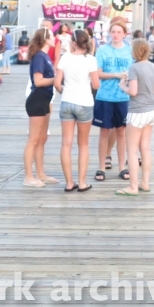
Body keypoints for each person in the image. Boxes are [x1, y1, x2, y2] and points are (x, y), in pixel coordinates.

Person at [54, 28, 99, 192]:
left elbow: (57, 83)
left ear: (73, 43)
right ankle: (82, 182)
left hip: (67, 101)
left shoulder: (65, 58)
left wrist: (63, 92)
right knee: (83, 144)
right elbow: (95, 85)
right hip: (84, 102)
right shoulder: (91, 60)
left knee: (66, 144)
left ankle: (69, 182)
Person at [116, 38, 154, 196]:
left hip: (137, 112)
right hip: (152, 110)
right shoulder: (153, 67)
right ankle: (145, 183)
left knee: (132, 150)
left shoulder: (134, 68)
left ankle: (132, 186)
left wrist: (123, 86)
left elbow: (133, 92)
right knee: (145, 148)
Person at [93, 20, 132, 182]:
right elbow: (97, 73)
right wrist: (115, 75)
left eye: (118, 32)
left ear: (124, 34)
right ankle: (101, 167)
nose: (115, 35)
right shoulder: (102, 50)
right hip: (105, 96)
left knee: (121, 131)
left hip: (123, 96)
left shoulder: (130, 51)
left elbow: (134, 71)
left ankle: (122, 166)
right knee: (104, 131)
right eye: (113, 32)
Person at [23, 28, 58, 187]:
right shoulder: (39, 57)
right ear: (45, 39)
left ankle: (41, 173)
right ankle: (28, 176)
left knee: (42, 138)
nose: (55, 38)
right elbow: (38, 81)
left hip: (46, 99)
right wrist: (56, 79)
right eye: (52, 36)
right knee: (34, 139)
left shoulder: (46, 57)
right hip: (37, 99)